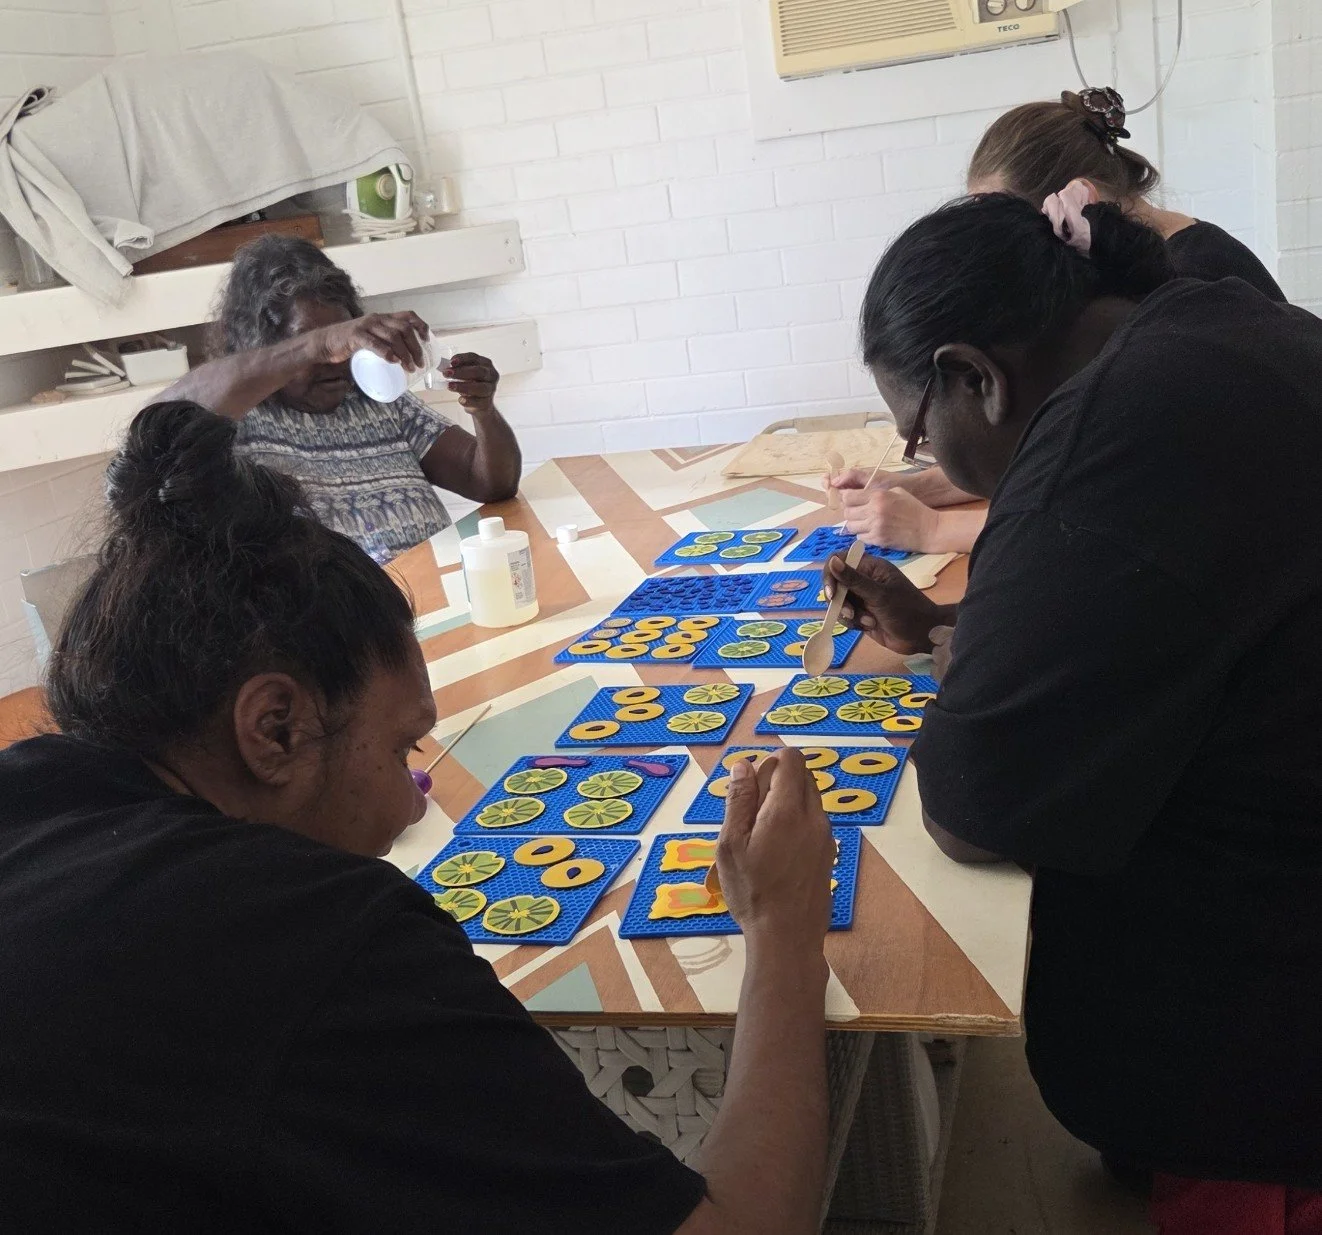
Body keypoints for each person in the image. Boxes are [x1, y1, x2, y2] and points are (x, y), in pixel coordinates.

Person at [0, 401, 837, 1235]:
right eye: (403, 749)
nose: (413, 801)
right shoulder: (310, 936)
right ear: (275, 728)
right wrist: (784, 924)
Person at [825, 191, 1322, 1233]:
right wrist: (947, 625)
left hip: (1277, 1031)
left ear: (974, 376)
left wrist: (975, 658)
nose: (927, 456)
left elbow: (976, 802)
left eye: (917, 428)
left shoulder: (1112, 428)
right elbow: (1166, 610)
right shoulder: (1196, 328)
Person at [833, 86, 1286, 557]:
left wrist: (931, 531)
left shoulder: (1188, 285)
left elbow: (1113, 499)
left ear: (1079, 198)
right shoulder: (1157, 268)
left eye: (1015, 228)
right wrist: (920, 486)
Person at [164, 235, 522, 564]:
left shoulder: (377, 402)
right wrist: (321, 342)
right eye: (313, 343)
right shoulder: (236, 422)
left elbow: (490, 483)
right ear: (259, 341)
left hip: (436, 600)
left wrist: (483, 409)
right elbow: (163, 418)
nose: (336, 361)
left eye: (343, 342)